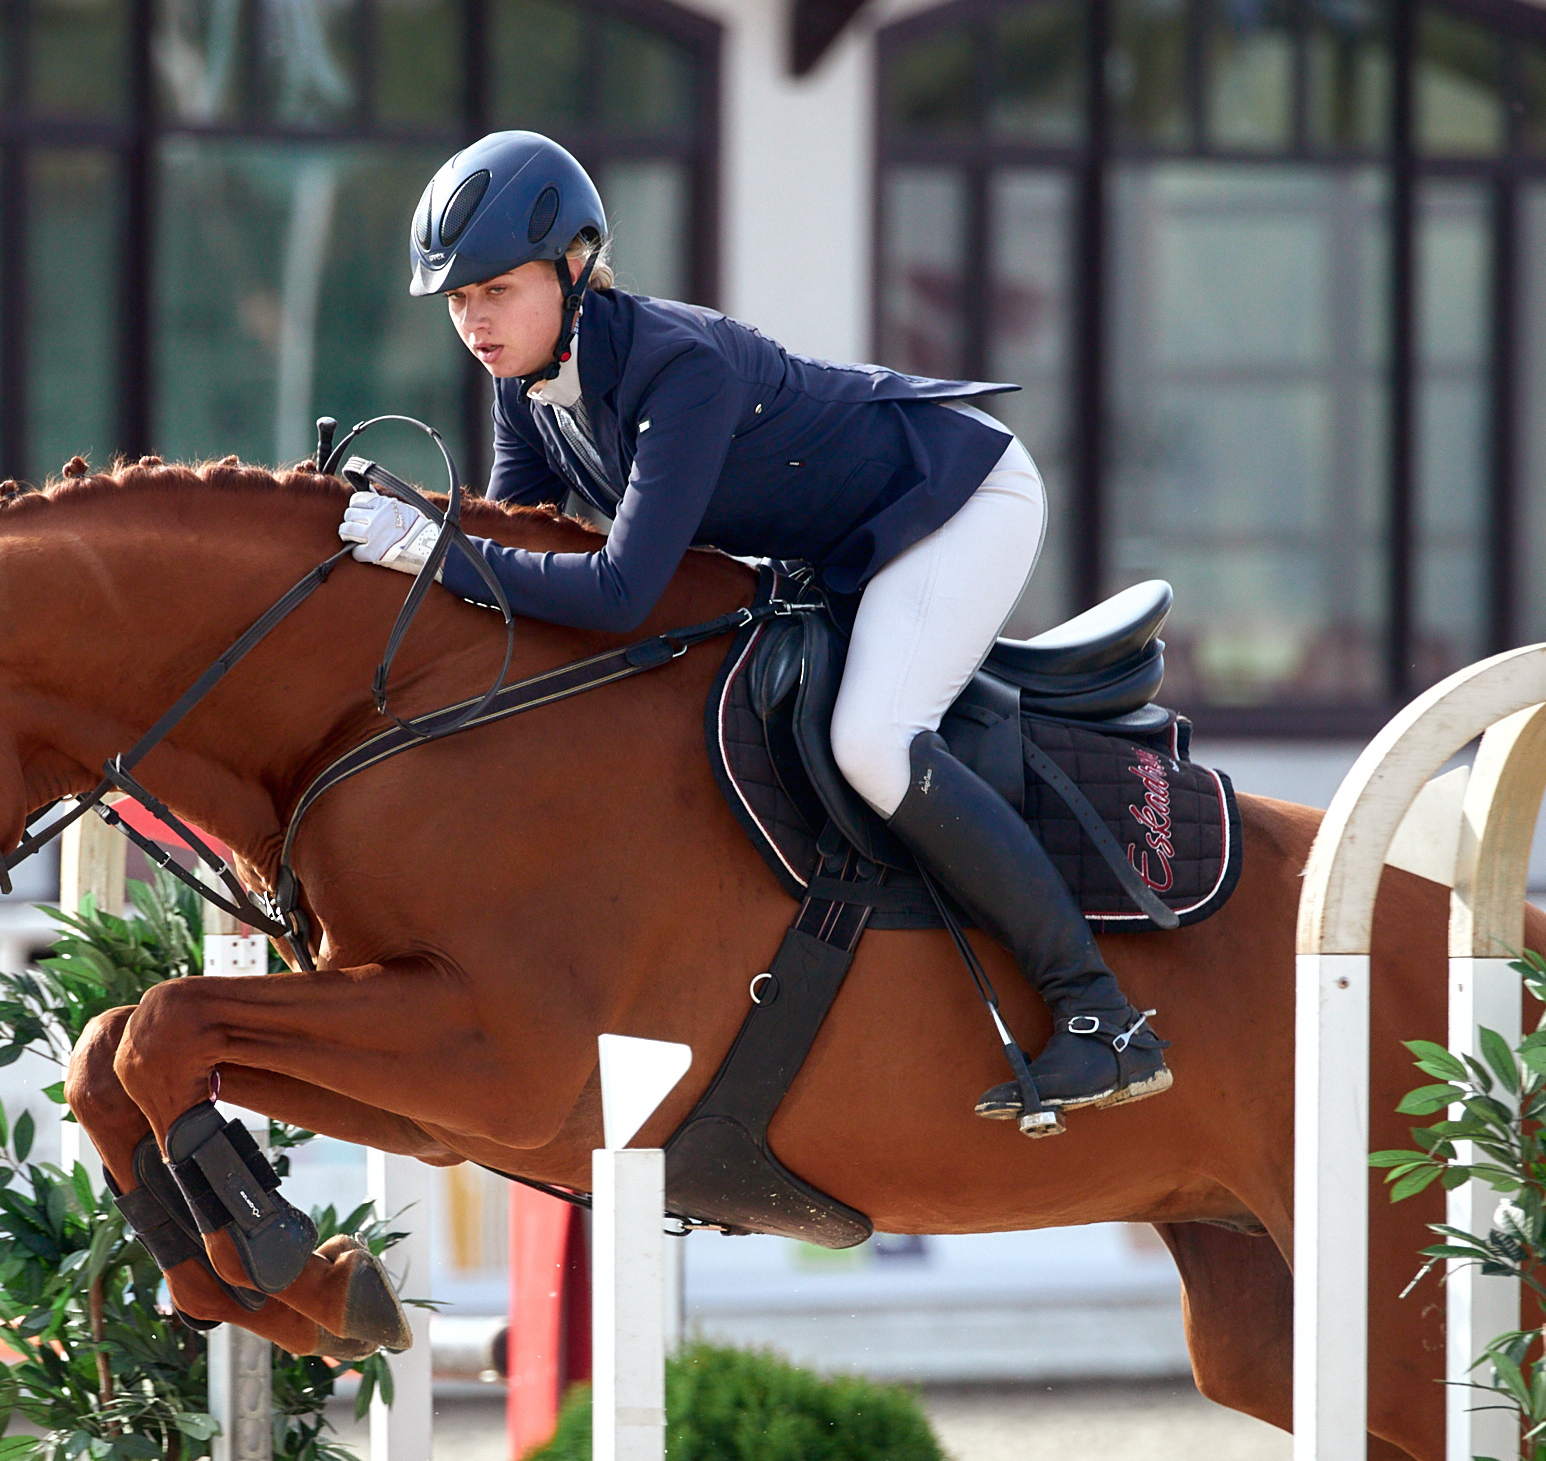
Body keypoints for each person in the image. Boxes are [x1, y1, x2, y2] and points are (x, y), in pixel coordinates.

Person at [337, 129, 1169, 1125]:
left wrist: (429, 547)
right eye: (459, 302)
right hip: (840, 537)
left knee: (871, 741)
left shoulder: (675, 369)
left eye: (496, 292)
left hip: (954, 499)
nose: (474, 320)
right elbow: (519, 551)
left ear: (573, 269)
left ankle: (1100, 1017)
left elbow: (611, 594)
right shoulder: (528, 390)